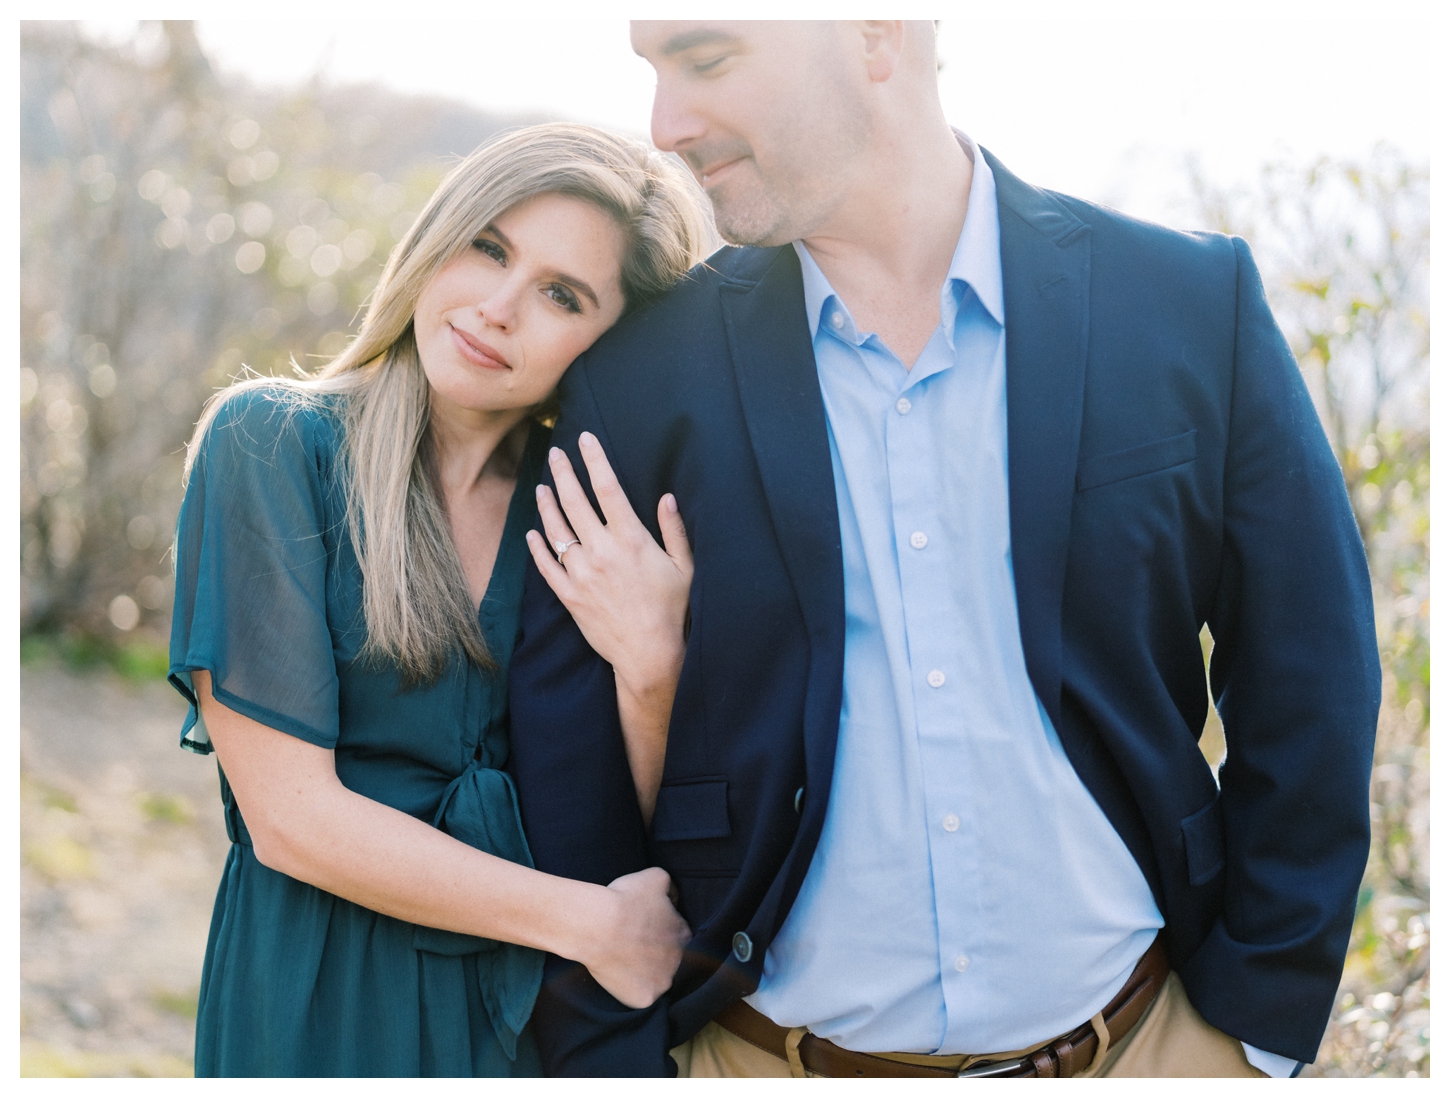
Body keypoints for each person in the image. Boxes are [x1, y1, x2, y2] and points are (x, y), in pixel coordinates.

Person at [509, 21, 1380, 1078]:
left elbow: (1310, 669)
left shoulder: (1189, 305)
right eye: (652, 72)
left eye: (705, 59)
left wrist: (1252, 1037)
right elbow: (565, 767)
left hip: (1153, 1048)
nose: (664, 125)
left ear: (876, 32)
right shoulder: (641, 377)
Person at [167, 122, 710, 1076]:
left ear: (611, 344)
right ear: (438, 235)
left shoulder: (581, 514)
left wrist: (656, 667)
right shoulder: (271, 447)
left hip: (526, 1015)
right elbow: (292, 820)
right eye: (488, 247)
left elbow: (619, 811)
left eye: (561, 294)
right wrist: (593, 924)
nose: (498, 308)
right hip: (318, 995)